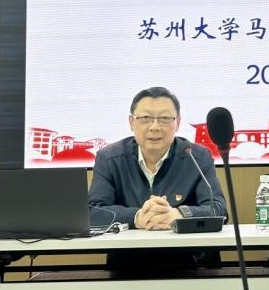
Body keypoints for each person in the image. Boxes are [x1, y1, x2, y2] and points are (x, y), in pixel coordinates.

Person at [89, 86, 227, 231]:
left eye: (165, 118)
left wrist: (179, 214)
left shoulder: (197, 157)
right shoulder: (109, 159)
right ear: (131, 122)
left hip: (184, 245)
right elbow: (92, 212)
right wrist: (137, 217)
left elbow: (218, 209)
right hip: (130, 245)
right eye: (146, 118)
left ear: (178, 122)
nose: (154, 127)